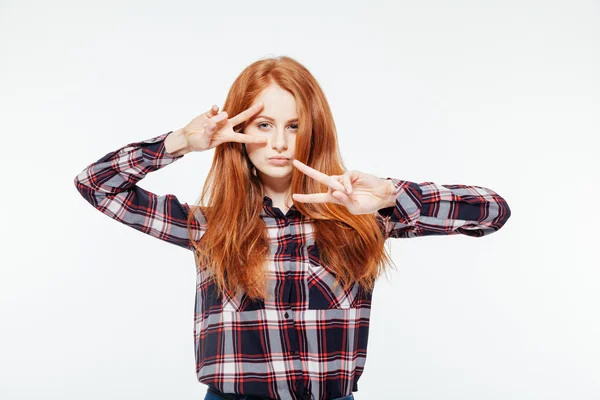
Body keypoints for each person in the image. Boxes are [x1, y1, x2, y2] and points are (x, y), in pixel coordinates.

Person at [74, 56, 511, 400]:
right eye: (264, 126)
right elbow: (96, 185)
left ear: (313, 132)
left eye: (294, 126)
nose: (279, 143)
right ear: (239, 130)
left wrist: (395, 195)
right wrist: (182, 142)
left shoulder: (358, 214)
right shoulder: (208, 225)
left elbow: (492, 211)